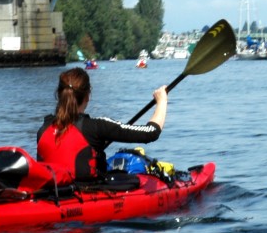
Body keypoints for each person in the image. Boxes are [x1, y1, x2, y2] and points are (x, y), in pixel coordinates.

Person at [36, 67, 168, 182]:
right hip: (89, 192)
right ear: (87, 96)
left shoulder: (44, 129)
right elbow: (151, 132)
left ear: (59, 95)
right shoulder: (97, 127)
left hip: (52, 194)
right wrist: (162, 101)